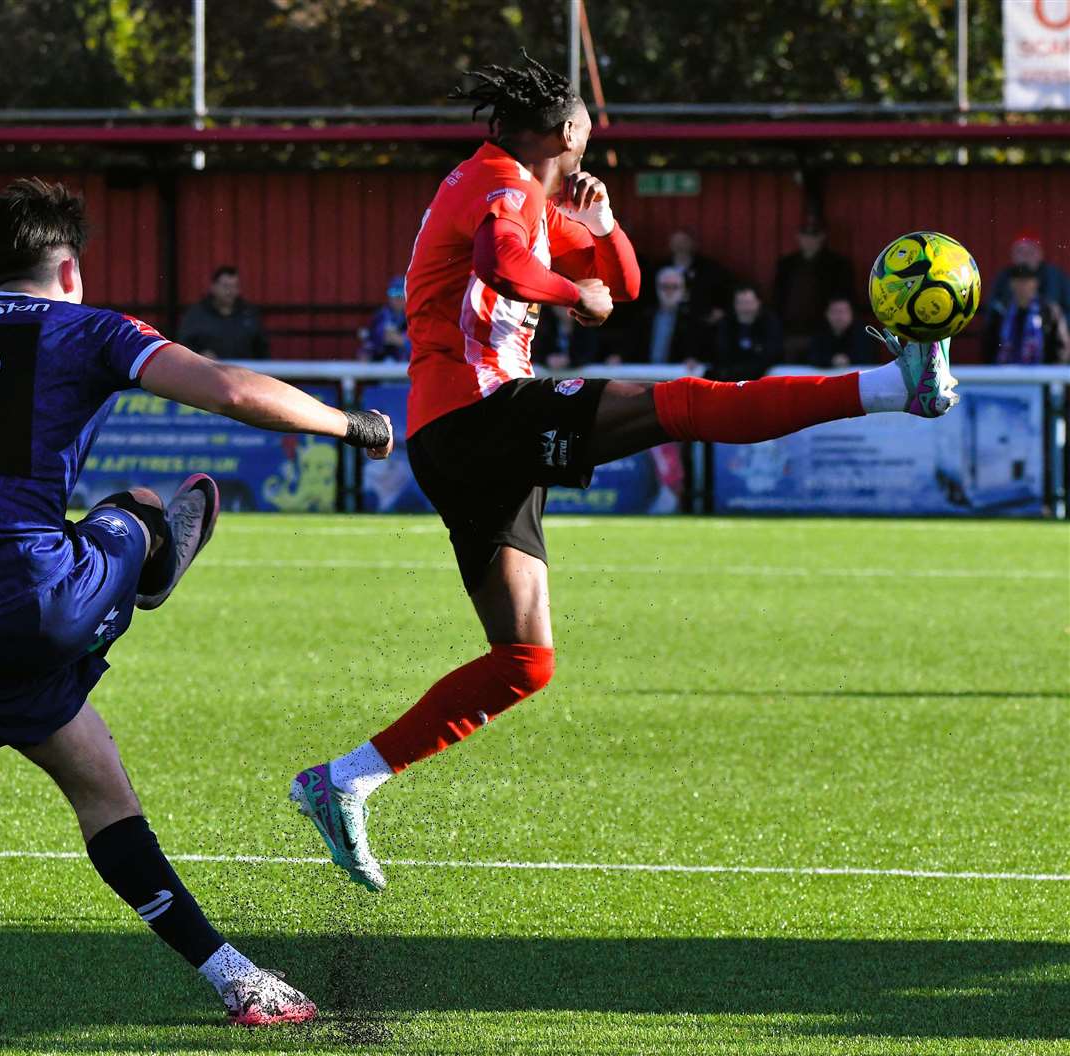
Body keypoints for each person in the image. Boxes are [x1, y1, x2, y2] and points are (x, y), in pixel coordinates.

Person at [286, 53, 962, 894]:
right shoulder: (500, 184)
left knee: (524, 661)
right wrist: (576, 296)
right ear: (569, 130)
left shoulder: (520, 190)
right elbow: (508, 264)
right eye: (587, 128)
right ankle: (894, 386)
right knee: (684, 403)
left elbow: (628, 284)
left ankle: (345, 778)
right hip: (479, 413)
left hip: (460, 437)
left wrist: (600, 230)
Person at [0, 180, 393, 1023]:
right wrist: (351, 427)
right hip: (35, 595)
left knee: (102, 792)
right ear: (69, 268)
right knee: (148, 506)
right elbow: (230, 391)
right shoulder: (86, 325)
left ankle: (239, 980)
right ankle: (150, 564)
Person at [773, 218, 854, 363]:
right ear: (798, 237)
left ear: (822, 237)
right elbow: (778, 296)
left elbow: (845, 297)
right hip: (791, 330)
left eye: (814, 235)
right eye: (805, 235)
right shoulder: (786, 265)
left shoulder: (837, 265)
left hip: (825, 331)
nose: (809, 240)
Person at [177, 265, 269, 359]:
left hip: (243, 371)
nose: (230, 291)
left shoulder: (249, 314)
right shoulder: (196, 314)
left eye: (235, 286)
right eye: (226, 286)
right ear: (213, 287)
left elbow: (262, 349)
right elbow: (184, 346)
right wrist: (199, 355)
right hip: (206, 371)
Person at [983, 265, 1070, 364]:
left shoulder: (1049, 312)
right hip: (1005, 374)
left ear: (1036, 283)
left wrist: (1052, 373)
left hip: (1042, 374)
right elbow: (988, 347)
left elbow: (1061, 347)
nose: (1023, 286)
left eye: (1027, 281)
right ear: (1011, 284)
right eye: (1019, 281)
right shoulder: (1000, 312)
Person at [710, 283, 782, 381]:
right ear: (734, 304)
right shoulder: (726, 323)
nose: (745, 307)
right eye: (741, 303)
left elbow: (772, 352)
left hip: (762, 372)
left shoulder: (769, 322)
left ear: (758, 302)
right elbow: (721, 351)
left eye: (749, 302)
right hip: (730, 373)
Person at [987, 232, 1070, 314]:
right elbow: (992, 307)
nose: (1026, 256)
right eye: (1021, 252)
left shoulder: (1055, 276)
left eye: (1031, 251)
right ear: (1013, 255)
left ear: (1040, 254)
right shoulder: (1003, 277)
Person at [638, 266, 704, 366]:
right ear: (657, 288)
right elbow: (631, 345)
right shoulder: (645, 316)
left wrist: (692, 359)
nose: (669, 291)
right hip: (644, 375)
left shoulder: (692, 319)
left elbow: (698, 350)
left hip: (675, 377)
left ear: (683, 290)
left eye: (675, 287)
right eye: (665, 287)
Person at [665, 227, 732, 325]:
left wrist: (721, 310)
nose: (679, 246)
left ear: (692, 244)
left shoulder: (709, 269)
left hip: (700, 321)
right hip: (669, 319)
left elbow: (726, 291)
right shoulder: (661, 268)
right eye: (676, 242)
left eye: (684, 241)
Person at [807, 296, 875, 368]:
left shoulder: (863, 334)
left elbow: (869, 359)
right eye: (835, 311)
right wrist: (831, 360)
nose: (839, 317)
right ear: (826, 314)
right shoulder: (819, 335)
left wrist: (849, 360)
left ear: (852, 314)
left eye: (843, 312)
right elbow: (812, 358)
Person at [364, 275, 411, 362]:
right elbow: (373, 340)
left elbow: (415, 344)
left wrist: (401, 340)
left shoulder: (412, 317)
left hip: (406, 366)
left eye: (401, 294)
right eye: (394, 293)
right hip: (381, 365)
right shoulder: (381, 316)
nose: (398, 298)